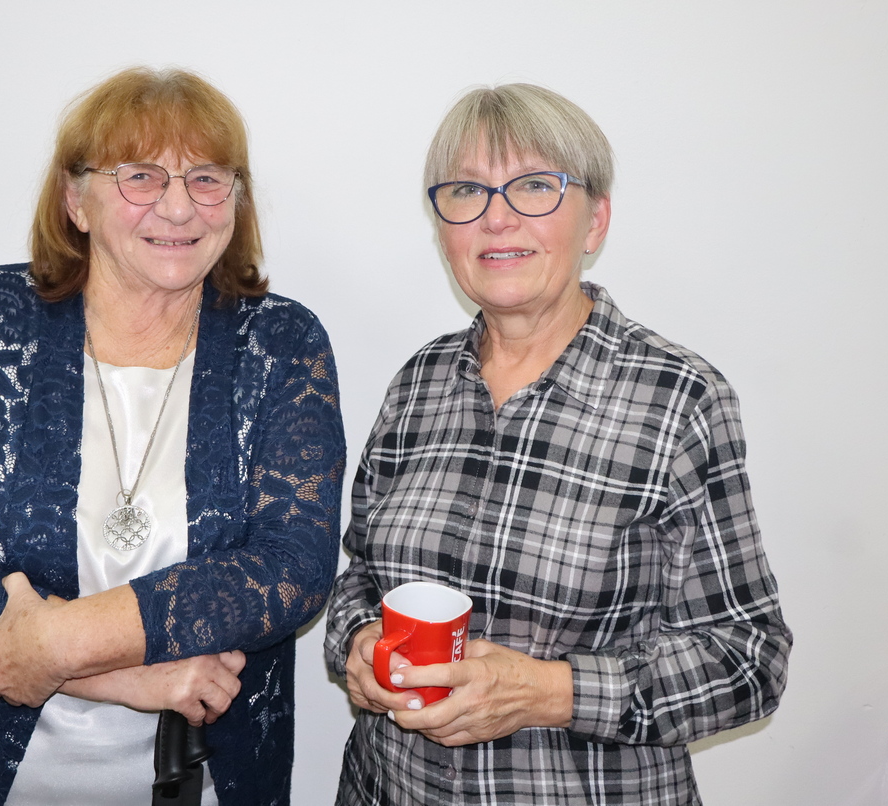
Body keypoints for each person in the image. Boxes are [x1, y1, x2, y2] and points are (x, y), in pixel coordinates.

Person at [0, 66, 345, 806]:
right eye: (140, 176)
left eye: (206, 179)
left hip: (203, 775)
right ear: (75, 200)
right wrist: (121, 677)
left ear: (236, 202)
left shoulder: (282, 343)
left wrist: (56, 644)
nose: (178, 206)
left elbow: (291, 570)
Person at [324, 83, 791, 804]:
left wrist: (549, 691)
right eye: (466, 191)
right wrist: (358, 643)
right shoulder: (418, 383)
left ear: (595, 220)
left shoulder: (680, 401)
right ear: (442, 227)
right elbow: (361, 576)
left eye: (535, 186)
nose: (497, 217)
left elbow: (750, 662)